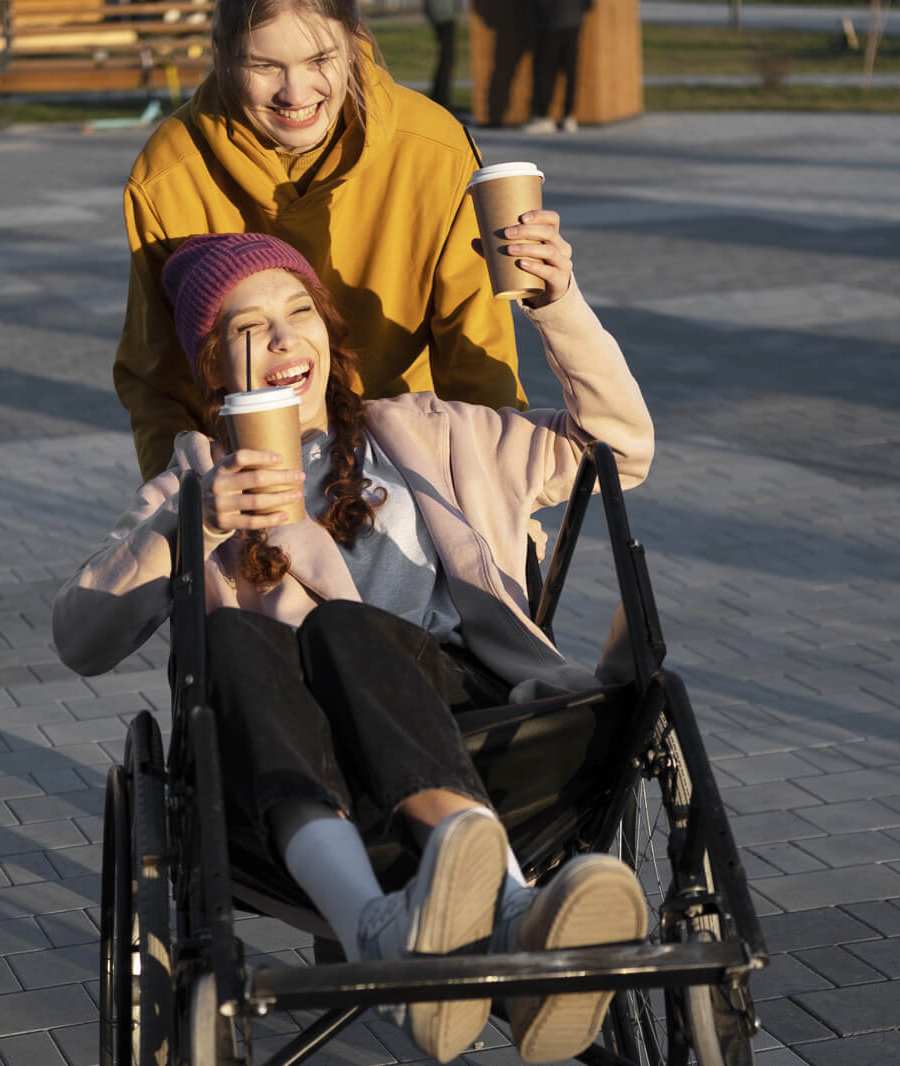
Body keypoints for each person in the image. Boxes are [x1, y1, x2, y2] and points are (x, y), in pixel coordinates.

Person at [53, 226, 652, 1063]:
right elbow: (79, 639)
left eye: (300, 311)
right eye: (244, 326)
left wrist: (559, 305)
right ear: (213, 369)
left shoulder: (426, 433)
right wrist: (193, 526)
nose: (281, 336)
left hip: (461, 724)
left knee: (341, 624)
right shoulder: (195, 480)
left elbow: (620, 454)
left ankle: (501, 901)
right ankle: (384, 926)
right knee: (228, 639)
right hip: (298, 766)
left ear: (329, 336)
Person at [115, 0, 528, 484]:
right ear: (223, 55)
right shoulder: (168, 177)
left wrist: (503, 503)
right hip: (254, 481)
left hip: (408, 466)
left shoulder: (434, 148)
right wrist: (186, 515)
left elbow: (478, 356)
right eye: (264, 66)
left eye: (320, 61)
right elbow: (161, 383)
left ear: (353, 44)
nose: (296, 93)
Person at [525, 0, 591, 134]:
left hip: (551, 19)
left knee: (546, 70)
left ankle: (544, 116)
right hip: (573, 18)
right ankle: (569, 116)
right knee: (570, 70)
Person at [424, 0, 458, 111]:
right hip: (444, 15)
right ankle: (440, 100)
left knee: (447, 58)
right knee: (447, 59)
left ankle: (439, 98)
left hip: (443, 14)